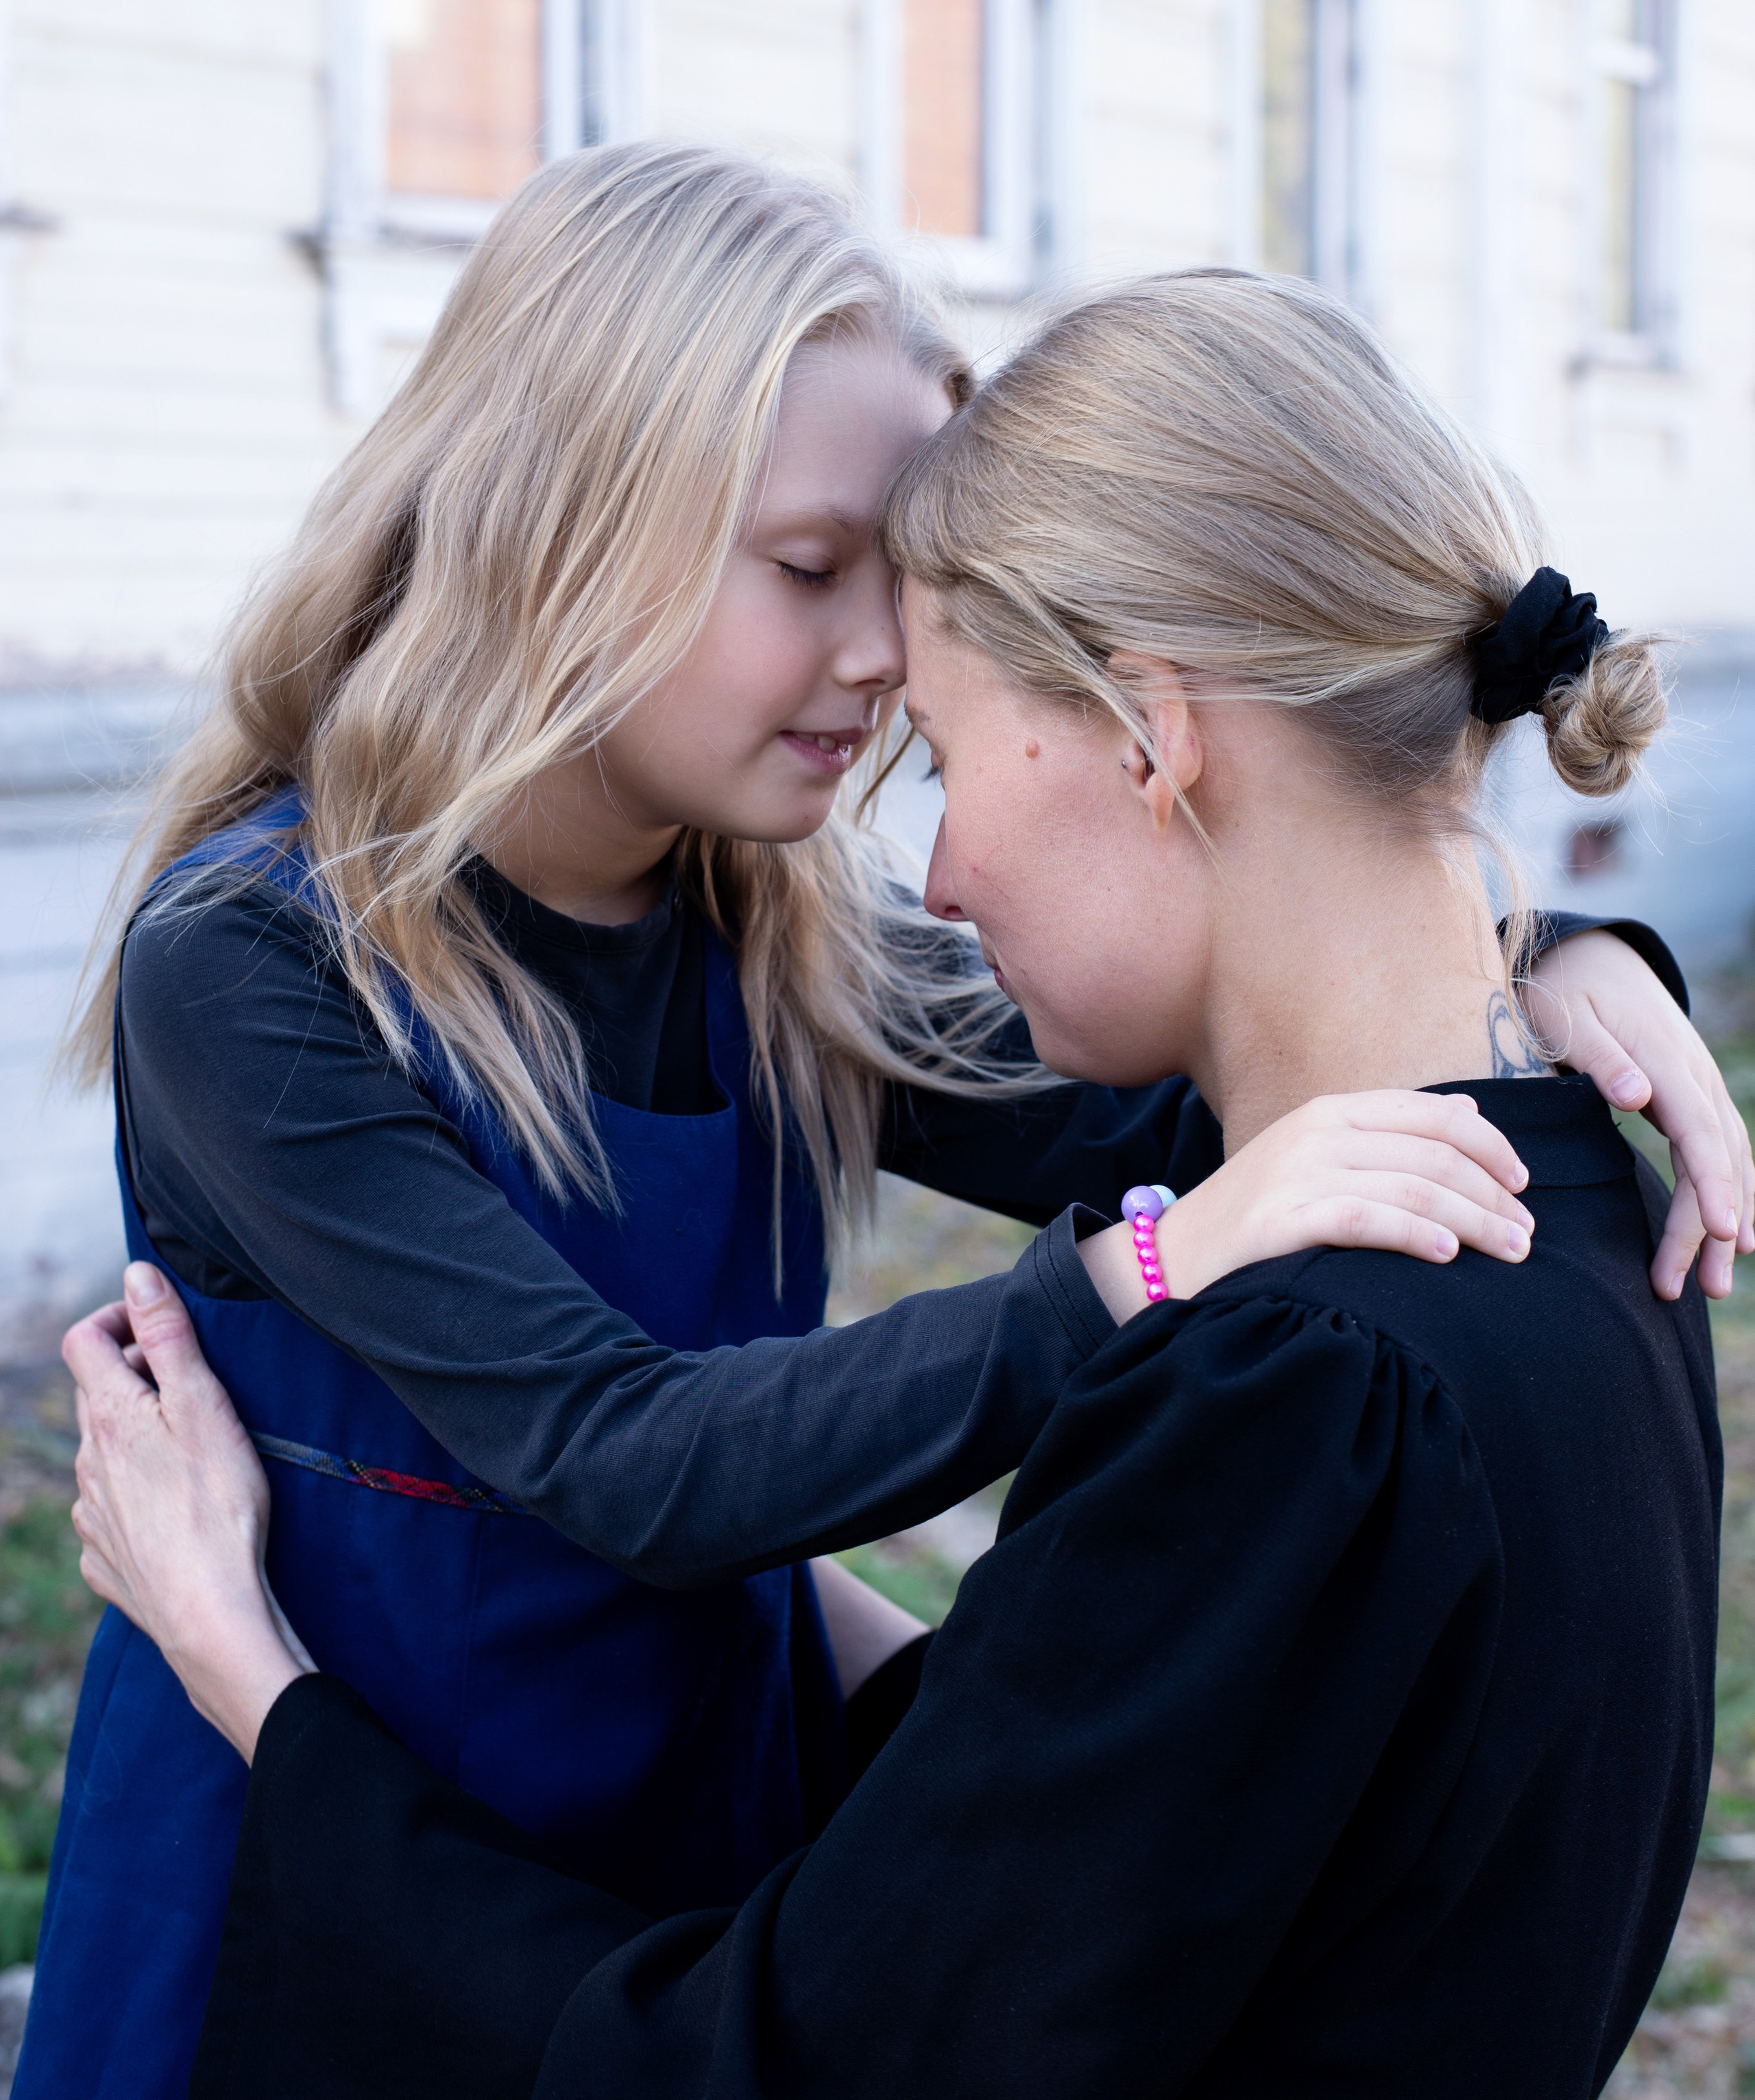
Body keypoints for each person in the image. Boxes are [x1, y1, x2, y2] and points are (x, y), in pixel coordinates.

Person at [34, 149, 1719, 2100]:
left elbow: (1242, 1063)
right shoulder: (258, 963)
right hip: (329, 1860)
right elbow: (616, 1447)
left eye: (902, 601)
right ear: (570, 522)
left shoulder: (773, 925)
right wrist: (1151, 1262)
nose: (878, 658)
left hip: (666, 1875)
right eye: (812, 568)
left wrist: (1543, 963)